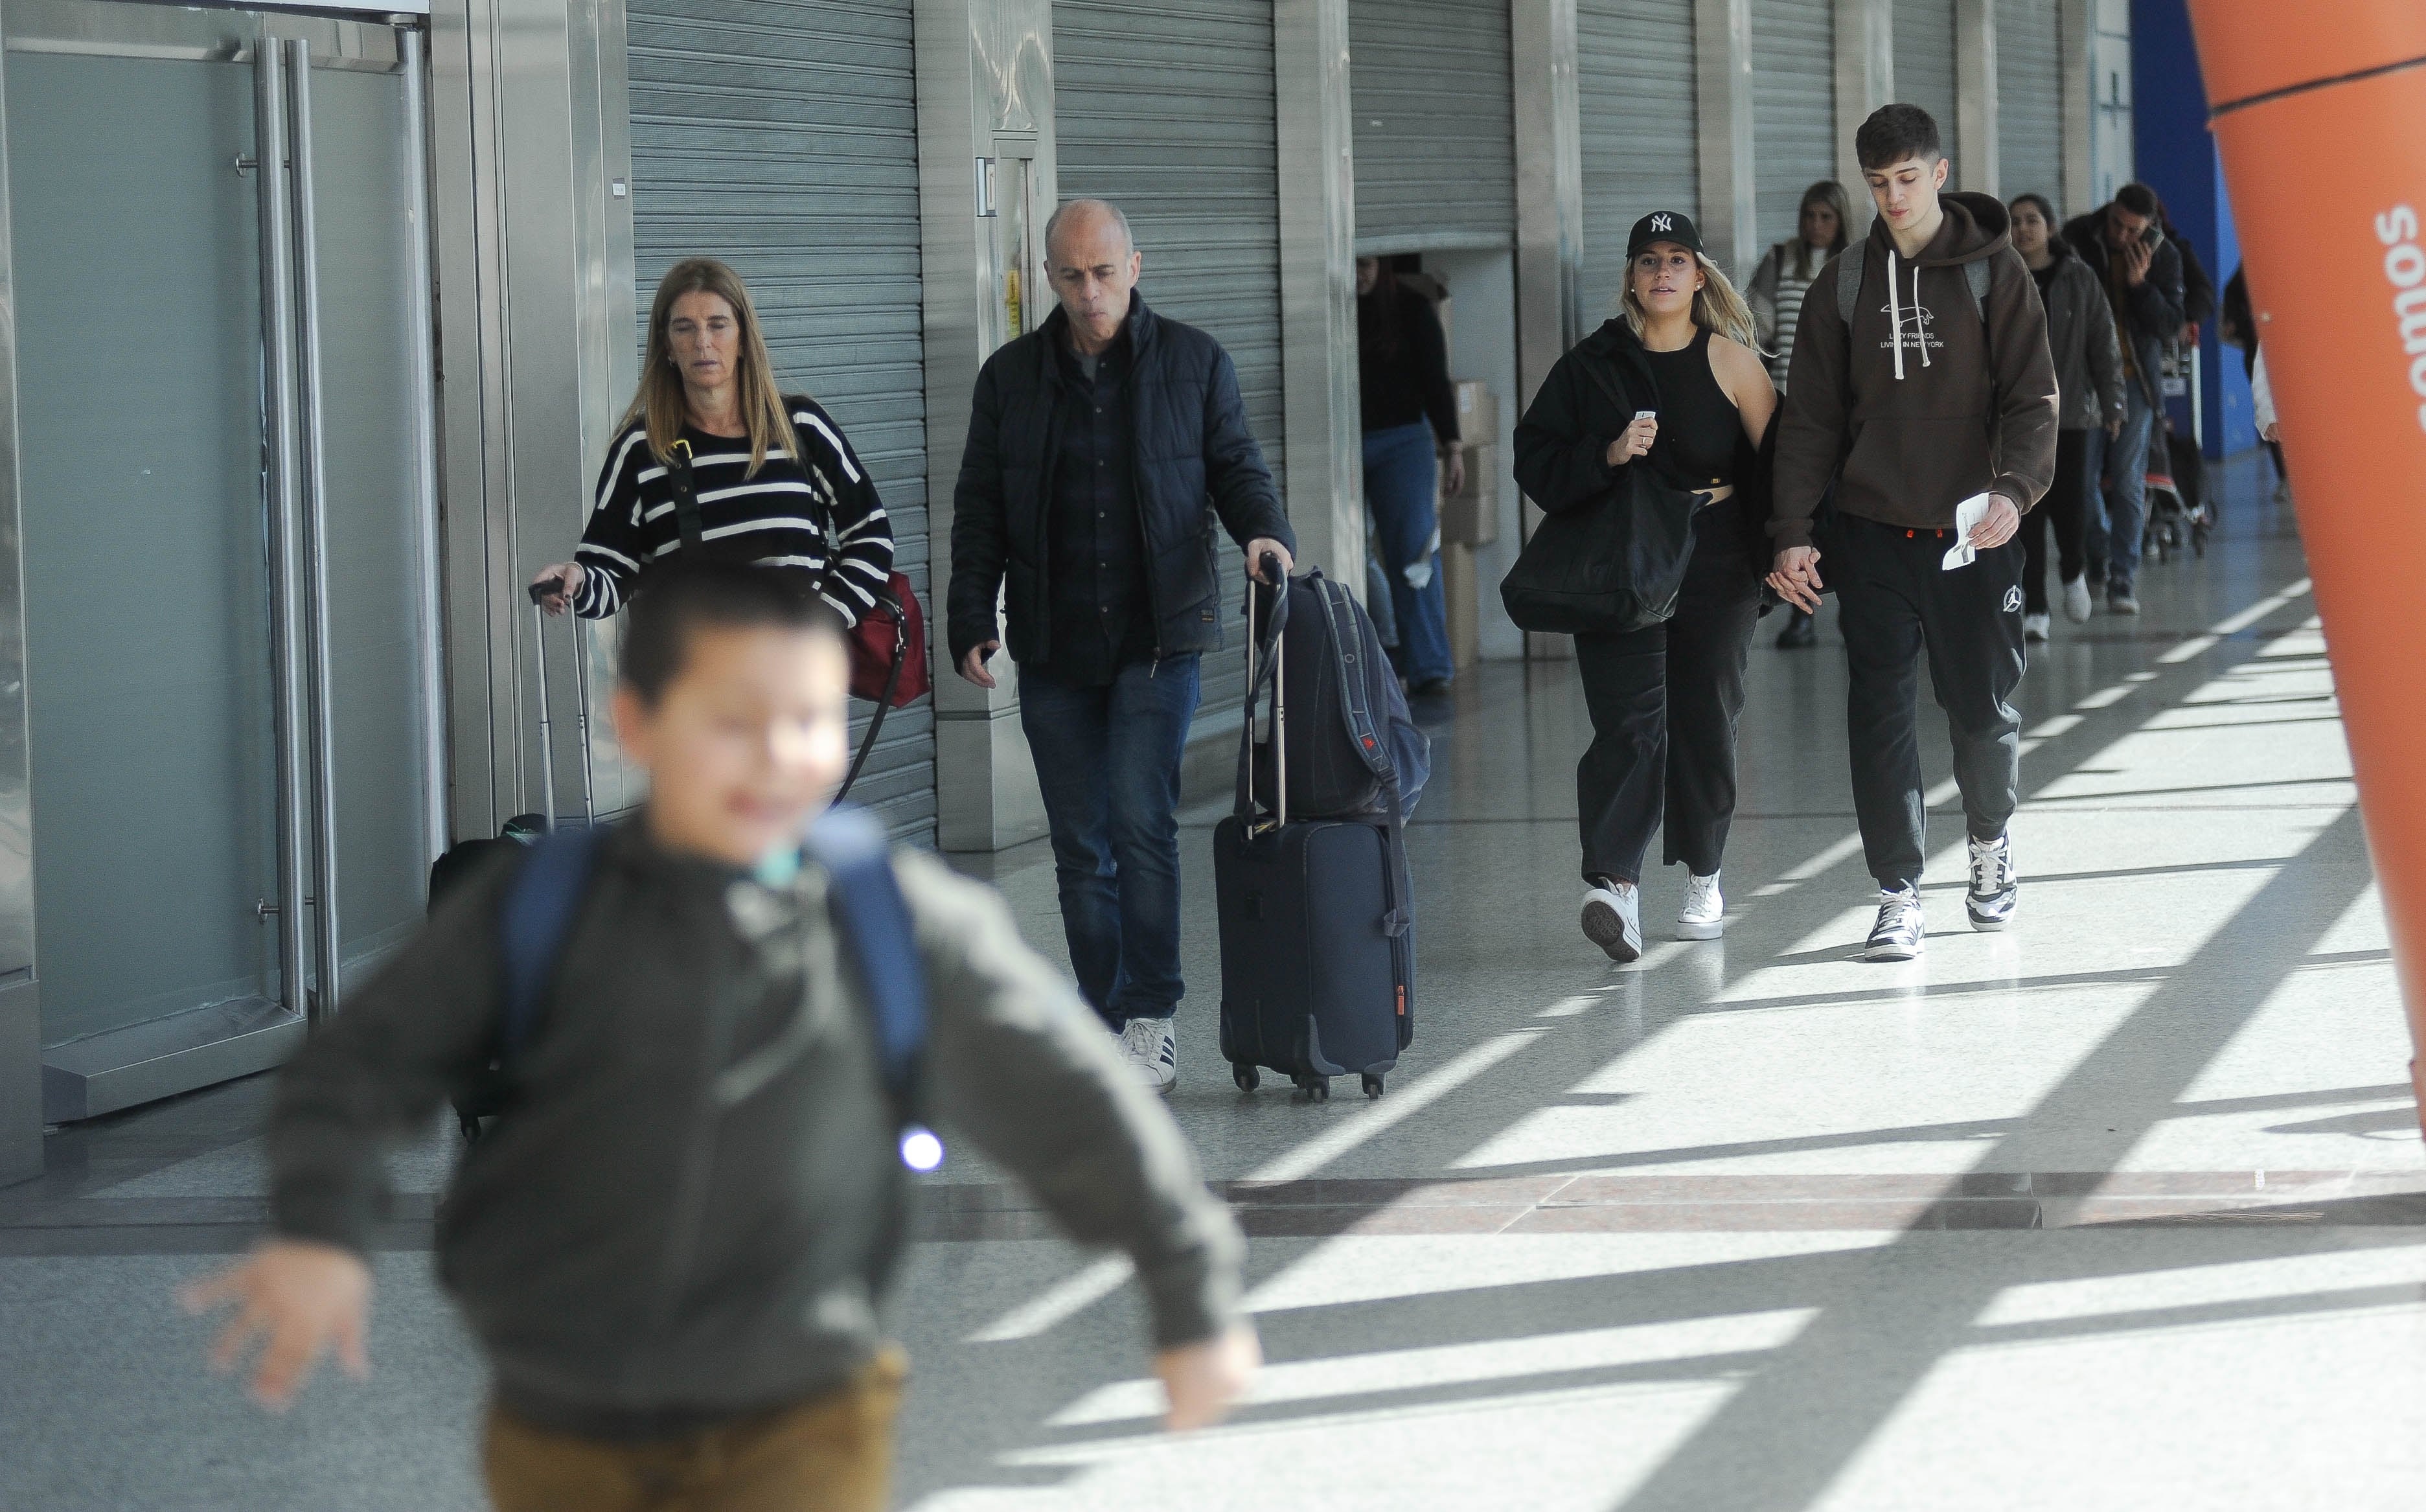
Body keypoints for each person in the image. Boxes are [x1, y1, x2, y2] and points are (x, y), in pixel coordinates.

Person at [179, 560, 1258, 1512]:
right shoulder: (539, 906)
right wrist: (321, 1227)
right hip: (561, 1419)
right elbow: (357, 1061)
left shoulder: (888, 913)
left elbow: (1070, 1096)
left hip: (801, 1407)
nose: (779, 756)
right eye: (732, 719)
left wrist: (1189, 1284)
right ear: (637, 722)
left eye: (811, 716)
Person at [948, 198, 1294, 1094]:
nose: (1090, 292)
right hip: (1055, 644)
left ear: (1135, 267)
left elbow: (1237, 467)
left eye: (1104, 273)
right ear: (1047, 279)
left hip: (1158, 639)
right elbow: (979, 507)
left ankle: (1151, 1014)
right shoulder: (1010, 379)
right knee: (1078, 843)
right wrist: (970, 614)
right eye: (1071, 276)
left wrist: (1263, 535)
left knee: (1140, 822)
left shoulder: (1193, 362)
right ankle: (1100, 1016)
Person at [1768, 104, 2058, 961]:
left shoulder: (1994, 273)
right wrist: (1791, 528)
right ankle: (1897, 888)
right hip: (1871, 534)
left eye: (1905, 179)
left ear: (1937, 172)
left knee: (1980, 711)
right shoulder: (1845, 282)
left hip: (1975, 533)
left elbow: (2033, 397)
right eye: (1876, 184)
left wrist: (2015, 487)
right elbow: (1810, 419)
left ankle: (1988, 842)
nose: (1892, 198)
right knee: (1879, 713)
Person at [1513, 210, 1776, 960]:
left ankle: (1704, 874)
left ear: (1700, 275)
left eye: (1676, 260)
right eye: (1647, 261)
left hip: (1716, 552)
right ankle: (1614, 886)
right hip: (1622, 557)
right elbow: (1533, 458)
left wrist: (1788, 549)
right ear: (1630, 276)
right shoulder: (1592, 365)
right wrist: (1607, 453)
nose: (1662, 273)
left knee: (1704, 714)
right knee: (1627, 721)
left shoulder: (1732, 362)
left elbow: (1785, 465)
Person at [530, 257, 894, 625]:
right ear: (668, 346)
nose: (702, 342)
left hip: (800, 675)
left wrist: (821, 625)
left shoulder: (801, 427)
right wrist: (575, 582)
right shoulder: (641, 448)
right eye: (684, 328)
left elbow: (871, 536)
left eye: (718, 325)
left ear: (742, 338)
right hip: (697, 677)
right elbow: (609, 571)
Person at [2063, 183, 2187, 615]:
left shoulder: (2164, 256)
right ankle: (2097, 550)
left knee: (2128, 479)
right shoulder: (2078, 238)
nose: (2120, 235)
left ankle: (2122, 577)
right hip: (2084, 379)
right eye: (2116, 223)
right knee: (2079, 481)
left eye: (2132, 230)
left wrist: (2139, 286)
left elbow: (2170, 324)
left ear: (2148, 227)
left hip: (2134, 383)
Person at [2009, 192, 2124, 641]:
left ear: (2051, 227)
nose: (2022, 229)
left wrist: (2113, 402)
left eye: (2031, 220)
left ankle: (2073, 572)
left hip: (2072, 412)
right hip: (2016, 417)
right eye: (2015, 221)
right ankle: (2034, 604)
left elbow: (2103, 341)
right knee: (2025, 512)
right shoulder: (2001, 278)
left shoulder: (2079, 278)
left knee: (2071, 502)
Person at [1747, 181, 1855, 650]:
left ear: (1840, 220)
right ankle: (1801, 614)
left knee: (1844, 514)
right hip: (1788, 409)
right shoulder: (1780, 260)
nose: (1815, 225)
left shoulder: (1854, 265)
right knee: (1796, 515)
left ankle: (1853, 606)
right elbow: (1753, 325)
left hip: (1844, 412)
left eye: (1825, 217)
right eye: (1809, 215)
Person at [1357, 255, 1461, 694]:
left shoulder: (1411, 308)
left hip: (1403, 440)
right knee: (1343, 556)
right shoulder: (1326, 303)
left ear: (1381, 264)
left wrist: (1451, 446)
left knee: (1414, 558)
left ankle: (1429, 667)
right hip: (1341, 440)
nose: (1357, 275)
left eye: (1363, 264)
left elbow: (1435, 379)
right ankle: (1371, 656)